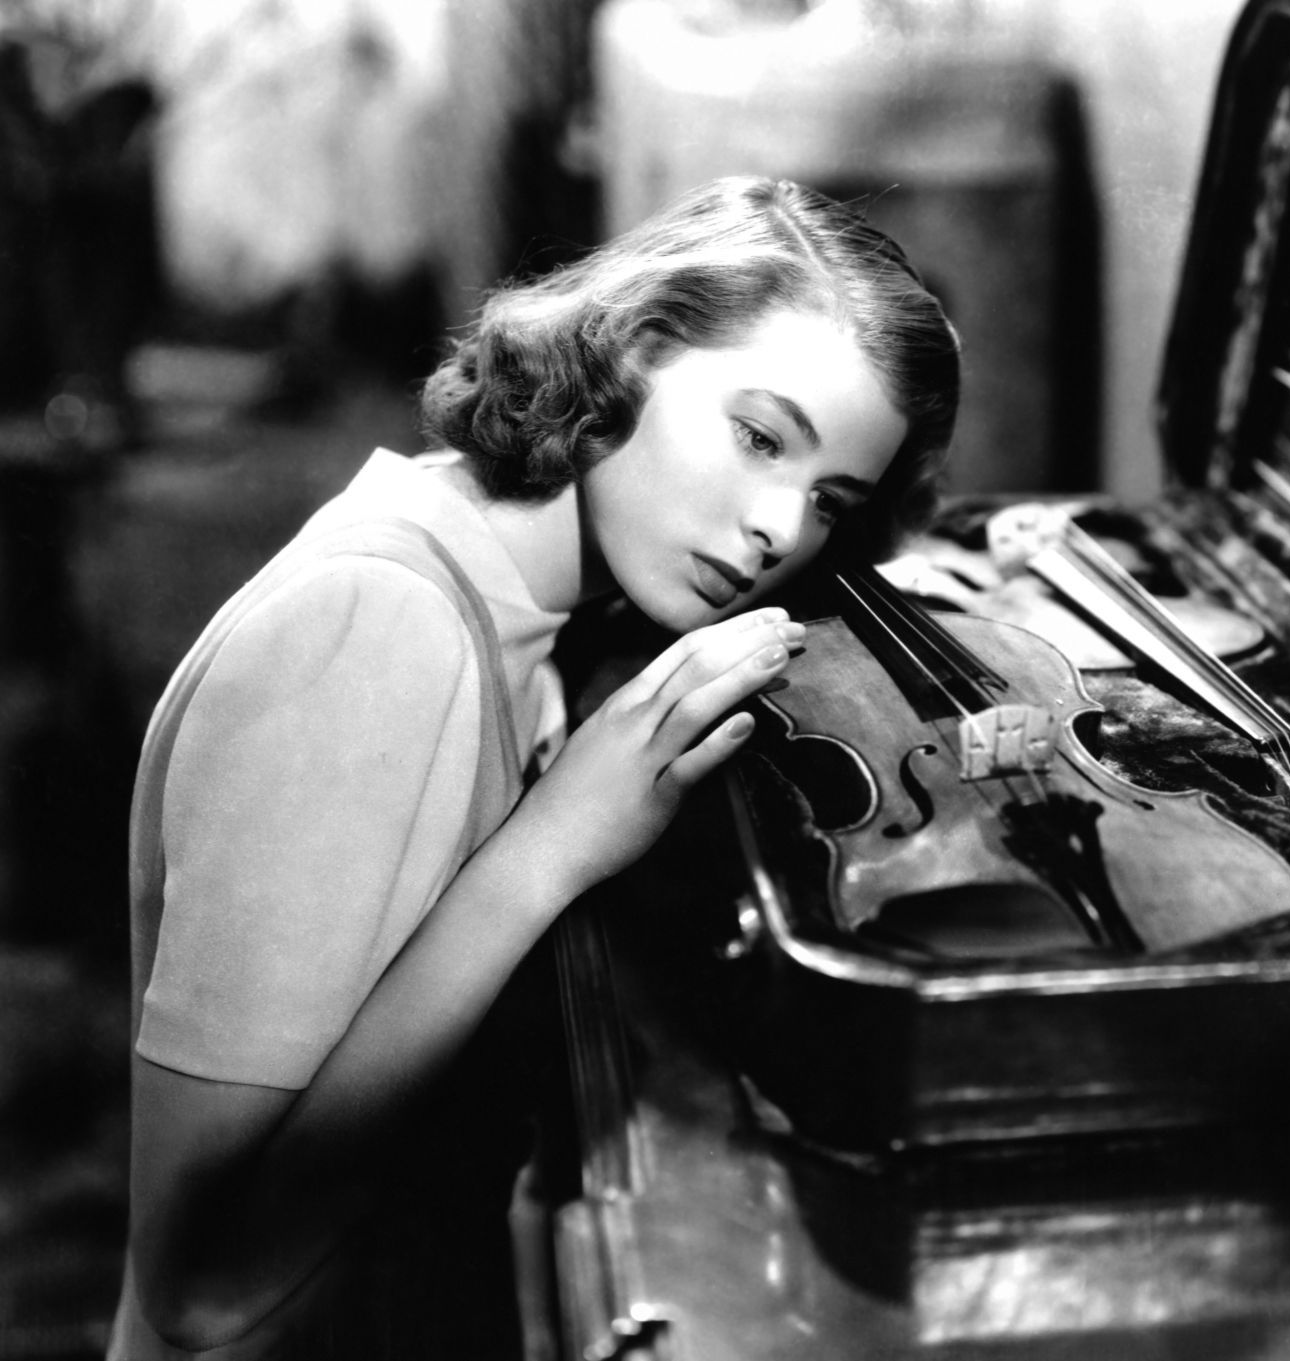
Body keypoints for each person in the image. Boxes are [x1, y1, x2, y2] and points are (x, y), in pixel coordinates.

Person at [109, 175, 961, 1359]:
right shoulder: (376, 628)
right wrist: (552, 845)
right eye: (760, 436)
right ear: (632, 349)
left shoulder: (515, 598)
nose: (781, 528)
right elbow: (198, 1276)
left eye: (831, 499)